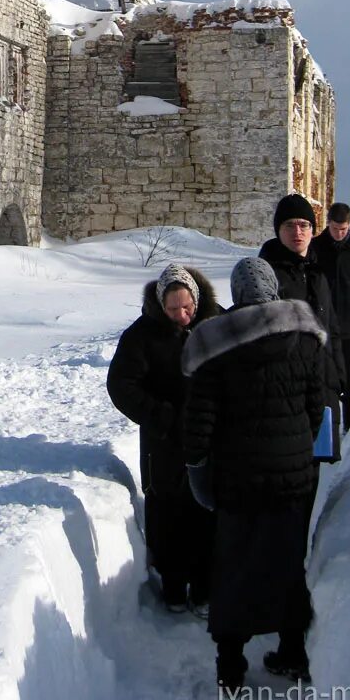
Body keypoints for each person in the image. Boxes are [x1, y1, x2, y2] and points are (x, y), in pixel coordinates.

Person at [182, 257, 326, 693]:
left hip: (237, 479)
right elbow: (316, 407)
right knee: (287, 563)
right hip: (292, 476)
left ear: (237, 294)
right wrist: (298, 449)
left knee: (233, 567)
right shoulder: (304, 336)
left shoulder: (215, 344)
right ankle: (292, 652)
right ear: (274, 289)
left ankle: (230, 665)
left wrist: (197, 469)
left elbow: (199, 423)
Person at [107, 262, 220, 615]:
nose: (183, 316)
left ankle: (204, 587)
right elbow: (121, 385)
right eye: (173, 310)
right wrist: (162, 416)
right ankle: (173, 585)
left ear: (197, 300)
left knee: (208, 512)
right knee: (168, 514)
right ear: (161, 305)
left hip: (209, 439)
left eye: (188, 308)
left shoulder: (216, 324)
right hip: (164, 444)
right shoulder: (142, 335)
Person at [259, 194, 346, 463]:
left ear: (312, 229)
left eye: (303, 225)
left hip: (323, 387)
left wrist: (338, 375)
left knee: (314, 467)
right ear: (278, 230)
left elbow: (331, 327)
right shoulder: (267, 276)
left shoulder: (318, 273)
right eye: (289, 226)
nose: (297, 232)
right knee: (289, 468)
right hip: (287, 395)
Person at [311, 202, 350, 432]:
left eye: (343, 229)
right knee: (326, 376)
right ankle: (327, 427)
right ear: (328, 224)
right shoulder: (316, 246)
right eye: (335, 228)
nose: (339, 233)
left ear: (349, 225)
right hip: (324, 321)